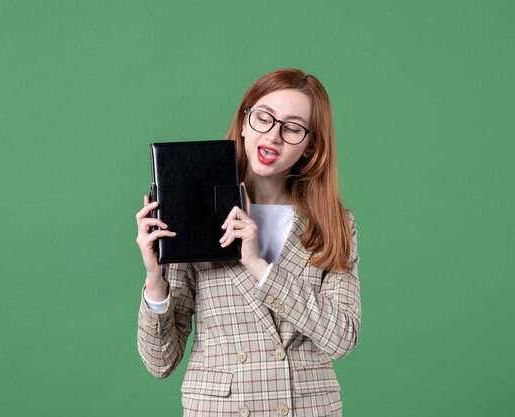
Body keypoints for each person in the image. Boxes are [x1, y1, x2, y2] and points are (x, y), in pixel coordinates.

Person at [135, 68, 361, 417]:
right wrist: (154, 279)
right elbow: (160, 362)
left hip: (307, 408)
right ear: (243, 121)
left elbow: (342, 337)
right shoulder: (192, 211)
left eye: (293, 127)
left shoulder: (333, 224)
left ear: (310, 145)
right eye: (264, 118)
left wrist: (258, 264)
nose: (273, 136)